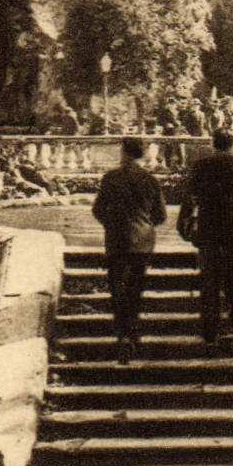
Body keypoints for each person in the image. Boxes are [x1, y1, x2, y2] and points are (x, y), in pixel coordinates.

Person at [178, 130, 233, 345]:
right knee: (230, 269)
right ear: (232, 144)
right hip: (232, 229)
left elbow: (189, 198)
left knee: (209, 279)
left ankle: (210, 329)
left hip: (207, 228)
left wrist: (183, 225)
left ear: (212, 143)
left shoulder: (201, 166)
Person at [92, 137, 167, 363]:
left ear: (124, 152)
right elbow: (160, 215)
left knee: (117, 288)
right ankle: (133, 334)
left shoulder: (111, 178)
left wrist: (112, 223)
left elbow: (98, 209)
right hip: (142, 241)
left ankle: (122, 335)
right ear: (142, 154)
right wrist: (145, 224)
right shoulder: (150, 180)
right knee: (136, 288)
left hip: (117, 240)